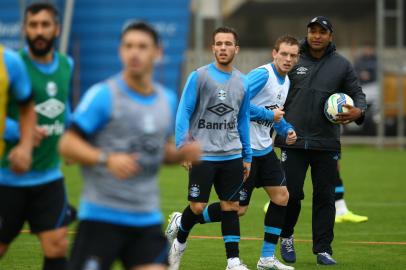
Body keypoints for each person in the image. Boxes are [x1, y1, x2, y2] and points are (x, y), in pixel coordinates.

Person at [59, 21, 200, 270]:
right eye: (128, 46)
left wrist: (177, 154)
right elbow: (67, 144)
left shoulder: (166, 100)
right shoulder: (103, 95)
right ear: (120, 51)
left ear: (158, 53)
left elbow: (153, 148)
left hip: (145, 219)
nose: (134, 52)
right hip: (101, 218)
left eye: (142, 46)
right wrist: (107, 159)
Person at [166, 35, 300, 270]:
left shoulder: (286, 81)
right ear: (274, 53)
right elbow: (241, 107)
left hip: (262, 151)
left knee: (281, 197)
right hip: (232, 148)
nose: (288, 59)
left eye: (293, 55)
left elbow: (273, 114)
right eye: (284, 54)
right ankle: (183, 221)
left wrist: (285, 128)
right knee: (235, 210)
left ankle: (264, 259)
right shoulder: (261, 75)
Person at [274, 16, 367, 265]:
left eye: (322, 32)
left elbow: (357, 94)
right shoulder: (293, 59)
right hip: (291, 140)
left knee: (325, 197)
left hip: (326, 143)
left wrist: (359, 111)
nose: (316, 36)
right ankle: (286, 235)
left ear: (330, 36)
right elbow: (273, 87)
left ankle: (323, 249)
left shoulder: (342, 65)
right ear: (307, 33)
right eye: (312, 31)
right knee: (290, 195)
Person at [0, 3, 78, 270]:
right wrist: (20, 132)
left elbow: (63, 106)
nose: (39, 31)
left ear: (56, 29)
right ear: (24, 30)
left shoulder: (67, 64)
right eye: (33, 26)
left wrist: (71, 137)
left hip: (48, 177)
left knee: (57, 245)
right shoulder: (11, 64)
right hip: (8, 177)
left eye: (45, 25)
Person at [167, 27, 252, 270]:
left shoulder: (243, 82)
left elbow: (244, 118)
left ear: (236, 49)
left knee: (231, 207)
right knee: (197, 207)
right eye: (218, 43)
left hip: (233, 154)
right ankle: (179, 242)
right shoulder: (199, 76)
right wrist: (182, 145)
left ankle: (233, 262)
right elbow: (183, 111)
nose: (223, 48)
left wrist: (247, 154)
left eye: (228, 44)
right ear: (212, 48)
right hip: (203, 154)